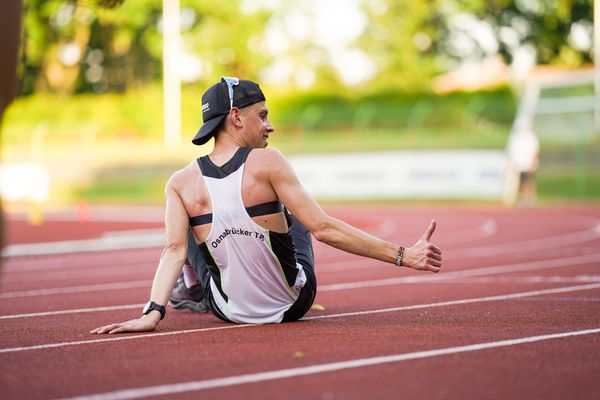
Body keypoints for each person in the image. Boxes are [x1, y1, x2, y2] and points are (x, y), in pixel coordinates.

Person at [91, 77, 442, 333]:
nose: (270, 126)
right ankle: (200, 282)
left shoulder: (179, 183)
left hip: (227, 310)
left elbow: (172, 250)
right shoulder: (269, 162)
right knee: (298, 217)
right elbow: (324, 229)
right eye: (263, 115)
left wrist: (152, 313)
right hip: (291, 305)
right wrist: (403, 254)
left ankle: (193, 287)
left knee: (186, 236)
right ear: (236, 117)